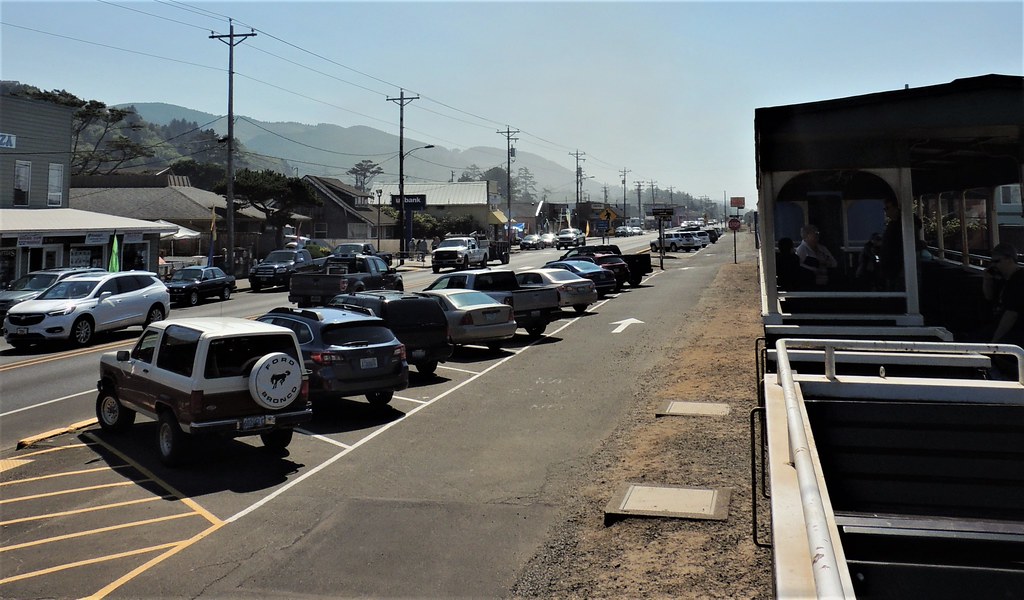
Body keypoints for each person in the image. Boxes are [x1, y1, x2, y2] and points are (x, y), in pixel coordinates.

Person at [983, 243, 1023, 347]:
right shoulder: (1001, 278)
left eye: (997, 261)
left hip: (1015, 330)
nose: (994, 265)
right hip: (997, 323)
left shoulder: (1019, 280)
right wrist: (987, 280)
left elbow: (1011, 314)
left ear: (1009, 259)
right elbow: (989, 297)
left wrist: (994, 342)